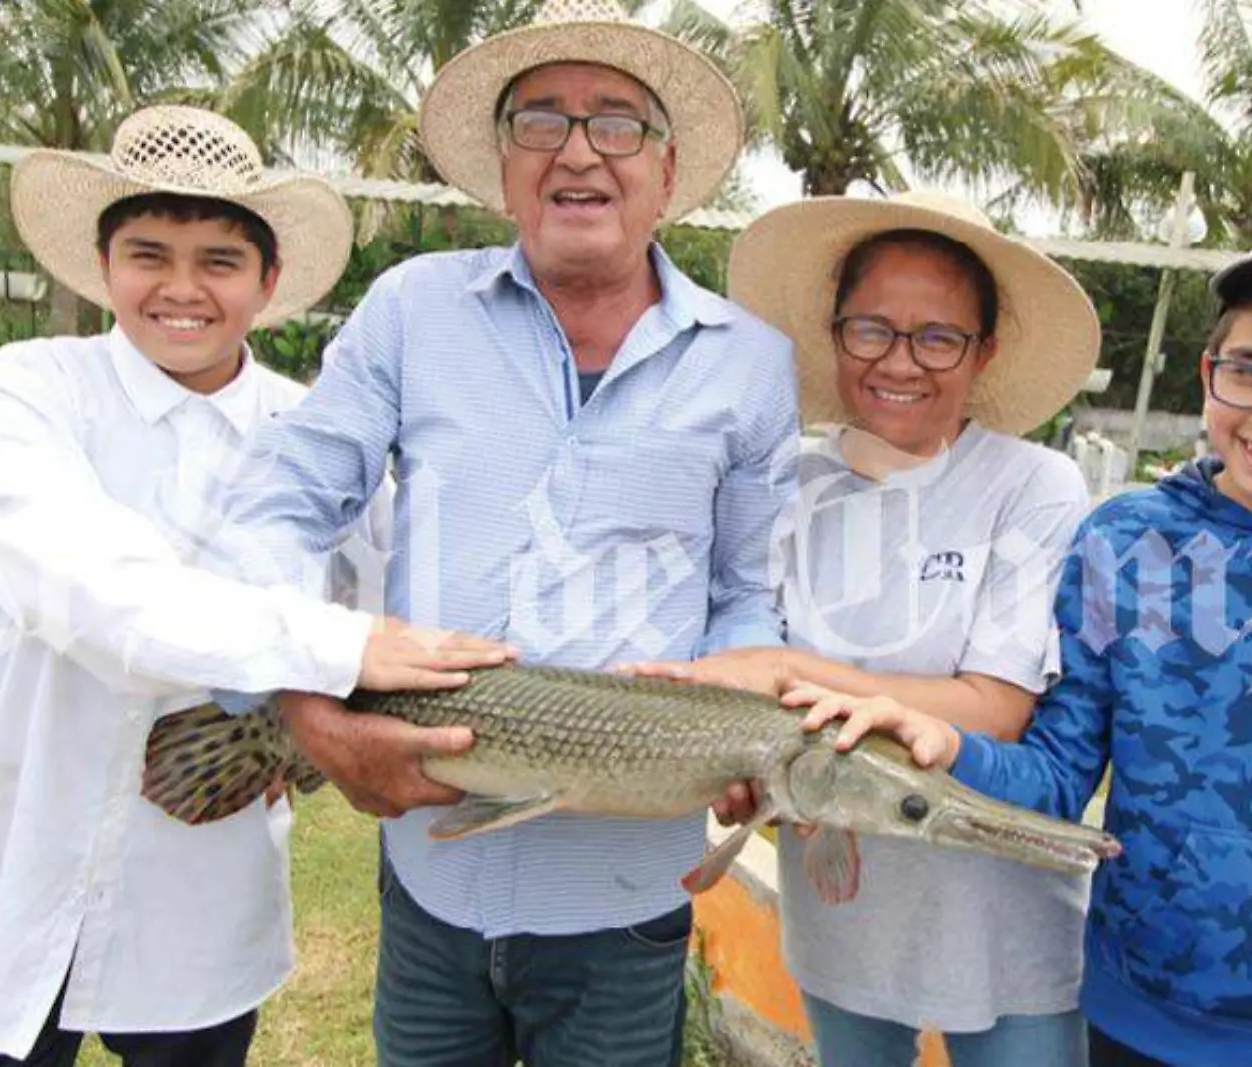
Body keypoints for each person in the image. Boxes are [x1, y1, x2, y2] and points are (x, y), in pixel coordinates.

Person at [208, 2, 799, 1064]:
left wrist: (741, 724)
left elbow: (752, 592)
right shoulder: (410, 309)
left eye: (617, 122)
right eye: (542, 120)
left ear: (667, 170)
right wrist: (305, 708)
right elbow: (282, 502)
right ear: (504, 162)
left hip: (623, 895)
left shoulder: (750, 362)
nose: (579, 151)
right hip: (431, 875)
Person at [0, 105, 512, 1066]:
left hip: (201, 868)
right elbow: (79, 580)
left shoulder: (313, 435)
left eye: (219, 261)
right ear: (104, 266)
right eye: (149, 254)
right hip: (24, 846)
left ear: (268, 282)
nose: (182, 290)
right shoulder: (34, 388)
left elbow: (413, 593)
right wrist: (332, 644)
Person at [793, 212, 1252, 1067]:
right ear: (1208, 373)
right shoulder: (1123, 544)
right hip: (1145, 1006)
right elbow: (1057, 774)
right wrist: (949, 745)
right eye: (1250, 372)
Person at [629, 190, 1102, 1066]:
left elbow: (994, 708)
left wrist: (778, 667)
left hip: (1001, 912)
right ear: (834, 331)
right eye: (872, 329)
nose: (902, 362)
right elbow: (741, 702)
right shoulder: (783, 481)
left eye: (938, 337)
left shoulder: (1032, 484)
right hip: (841, 902)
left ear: (984, 349)